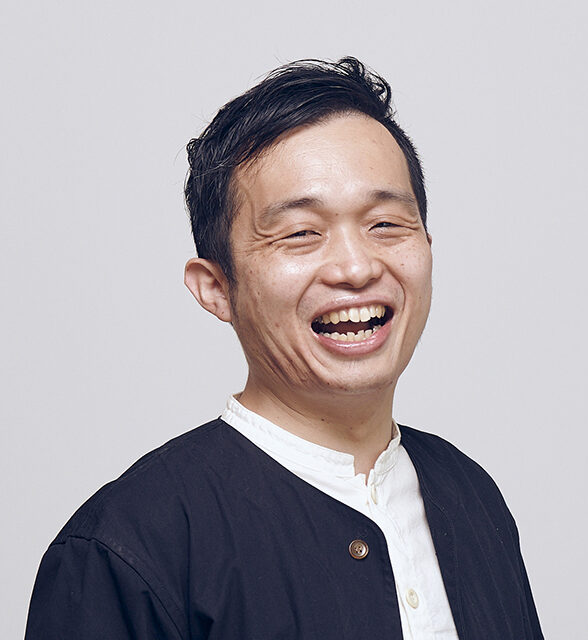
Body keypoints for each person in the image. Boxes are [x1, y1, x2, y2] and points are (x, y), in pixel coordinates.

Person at [25, 57, 544, 639]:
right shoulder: (127, 547)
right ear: (216, 288)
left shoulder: (469, 497)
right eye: (301, 233)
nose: (356, 267)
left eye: (385, 224)